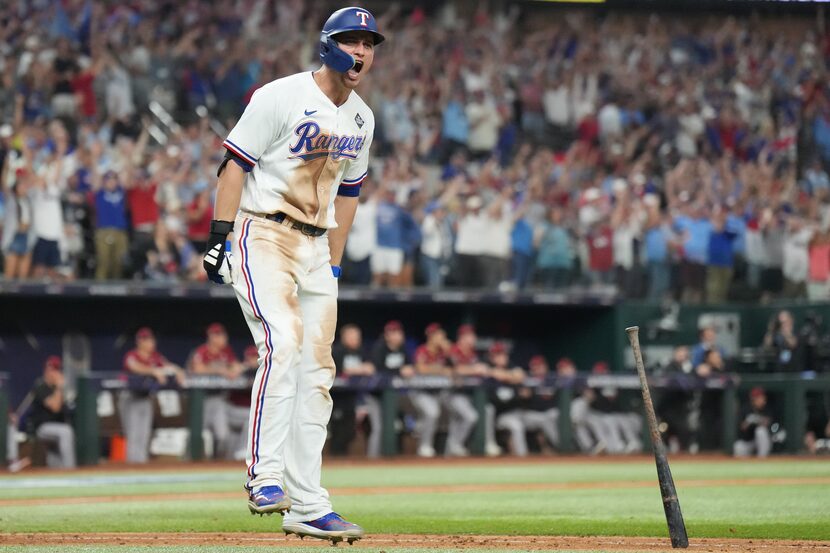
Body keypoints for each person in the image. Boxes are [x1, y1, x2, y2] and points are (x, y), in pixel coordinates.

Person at [201, 7, 384, 543]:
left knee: (318, 373)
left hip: (315, 247)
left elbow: (349, 193)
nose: (361, 51)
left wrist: (334, 260)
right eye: (352, 40)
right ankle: (265, 477)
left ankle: (308, 504)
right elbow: (235, 164)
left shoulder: (363, 118)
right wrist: (219, 234)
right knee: (283, 343)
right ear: (328, 44)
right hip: (263, 233)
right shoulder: (279, 95)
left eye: (369, 43)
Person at [120, 327, 184, 464]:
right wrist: (154, 371)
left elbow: (169, 366)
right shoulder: (132, 355)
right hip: (130, 397)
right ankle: (131, 466)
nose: (150, 342)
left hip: (145, 397)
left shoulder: (155, 357)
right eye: (146, 339)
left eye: (150, 339)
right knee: (133, 434)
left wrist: (178, 371)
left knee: (144, 434)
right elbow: (133, 366)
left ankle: (141, 465)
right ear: (139, 342)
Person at [189, 323, 242, 459]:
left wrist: (231, 370)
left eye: (223, 334)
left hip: (219, 398)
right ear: (211, 337)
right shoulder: (202, 351)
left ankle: (217, 463)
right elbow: (197, 369)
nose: (223, 338)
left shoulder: (226, 353)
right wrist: (220, 370)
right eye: (218, 335)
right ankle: (192, 464)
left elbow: (237, 368)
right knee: (199, 436)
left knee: (223, 436)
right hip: (201, 400)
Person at [330, 324, 379, 457]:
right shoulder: (338, 350)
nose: (356, 339)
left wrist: (357, 369)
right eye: (352, 336)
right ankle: (334, 458)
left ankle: (342, 457)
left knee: (350, 430)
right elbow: (340, 369)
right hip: (336, 398)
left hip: (353, 397)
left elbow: (371, 367)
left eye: (358, 336)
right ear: (344, 337)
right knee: (338, 429)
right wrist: (359, 369)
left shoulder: (361, 351)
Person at [412, 323, 453, 457]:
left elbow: (454, 368)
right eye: (438, 335)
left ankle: (451, 447)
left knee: (452, 410)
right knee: (432, 412)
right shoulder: (422, 350)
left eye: (442, 335)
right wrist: (439, 369)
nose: (441, 338)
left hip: (439, 392)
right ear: (430, 336)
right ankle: (424, 446)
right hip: (421, 391)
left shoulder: (443, 353)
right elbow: (421, 369)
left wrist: (448, 352)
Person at [27, 356, 76, 468]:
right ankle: (71, 470)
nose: (54, 373)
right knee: (66, 432)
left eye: (56, 369)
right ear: (46, 370)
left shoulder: (58, 389)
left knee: (55, 464)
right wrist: (59, 387)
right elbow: (55, 407)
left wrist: (61, 389)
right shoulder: (40, 387)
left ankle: (58, 475)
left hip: (56, 428)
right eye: (51, 369)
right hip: (42, 428)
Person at [227, 345, 259, 461]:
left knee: (252, 417)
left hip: (247, 411)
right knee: (252, 417)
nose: (253, 360)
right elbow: (230, 375)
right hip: (233, 409)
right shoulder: (239, 369)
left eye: (256, 357)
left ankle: (241, 452)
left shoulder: (263, 371)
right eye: (251, 357)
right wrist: (243, 367)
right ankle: (243, 450)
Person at [734, 387, 773, 458]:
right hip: (748, 441)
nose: (762, 399)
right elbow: (742, 427)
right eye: (759, 397)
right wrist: (748, 421)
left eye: (762, 397)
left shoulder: (767, 408)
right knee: (738, 446)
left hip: (761, 441)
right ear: (753, 399)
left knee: (760, 431)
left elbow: (768, 423)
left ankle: (762, 459)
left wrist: (758, 419)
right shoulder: (745, 409)